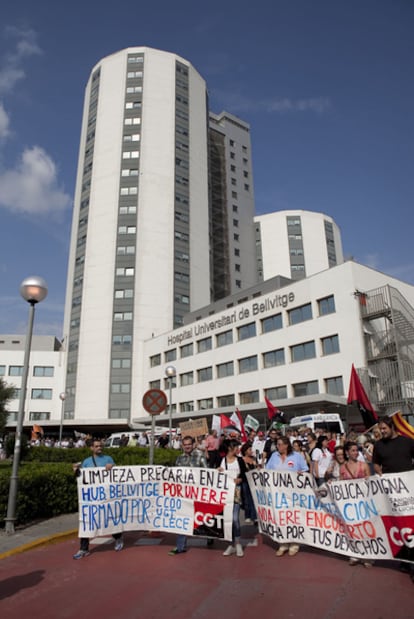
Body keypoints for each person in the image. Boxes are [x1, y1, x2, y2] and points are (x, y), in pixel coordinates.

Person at [72, 439, 123, 559]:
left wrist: (113, 467)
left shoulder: (108, 459)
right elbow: (80, 479)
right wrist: (75, 471)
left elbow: (118, 474)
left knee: (110, 517)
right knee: (86, 522)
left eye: (100, 446)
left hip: (106, 496)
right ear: (91, 448)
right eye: (96, 446)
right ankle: (83, 548)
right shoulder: (86, 462)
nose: (99, 447)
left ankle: (118, 537)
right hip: (91, 498)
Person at [266, 436, 308, 557]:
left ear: (286, 445)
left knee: (293, 517)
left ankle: (294, 543)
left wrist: (301, 473)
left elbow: (305, 470)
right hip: (278, 494)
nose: (278, 447)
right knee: (281, 517)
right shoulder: (274, 456)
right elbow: (267, 470)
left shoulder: (297, 456)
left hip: (293, 493)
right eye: (277, 445)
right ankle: (283, 543)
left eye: (280, 444)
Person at [169, 435, 208, 555]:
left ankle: (210, 537)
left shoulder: (200, 456)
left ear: (193, 445)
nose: (187, 447)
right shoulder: (179, 459)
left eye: (189, 444)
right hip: (184, 495)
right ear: (182, 446)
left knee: (202, 518)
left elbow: (207, 473)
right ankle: (180, 546)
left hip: (198, 493)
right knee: (183, 519)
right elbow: (175, 475)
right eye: (185, 445)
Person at [340, 441, 372, 568]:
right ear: (347, 453)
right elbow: (340, 485)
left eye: (356, 450)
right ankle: (355, 553)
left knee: (366, 527)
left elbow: (370, 483)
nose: (355, 452)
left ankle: (368, 555)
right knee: (353, 528)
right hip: (350, 504)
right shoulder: (343, 467)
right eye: (352, 450)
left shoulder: (363, 465)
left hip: (363, 502)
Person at [219, 438, 248, 557]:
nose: (237, 449)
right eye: (235, 446)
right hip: (225, 493)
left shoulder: (240, 460)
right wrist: (218, 472)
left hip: (236, 492)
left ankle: (238, 543)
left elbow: (245, 475)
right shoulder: (223, 461)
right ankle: (231, 544)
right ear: (230, 448)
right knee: (228, 519)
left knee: (235, 519)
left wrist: (240, 479)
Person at [240, 441, 258, 524]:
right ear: (245, 451)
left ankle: (254, 516)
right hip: (245, 482)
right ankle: (247, 515)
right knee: (247, 499)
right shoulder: (241, 460)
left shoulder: (254, 459)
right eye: (249, 449)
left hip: (253, 481)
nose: (251, 451)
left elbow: (256, 469)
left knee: (254, 498)